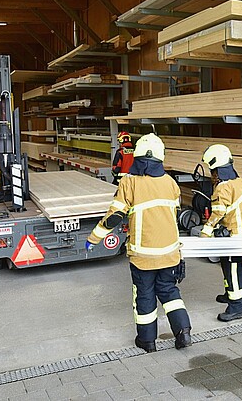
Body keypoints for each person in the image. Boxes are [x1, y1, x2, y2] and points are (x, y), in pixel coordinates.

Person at [87, 133, 192, 353]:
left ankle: (147, 341)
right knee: (170, 292)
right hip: (170, 253)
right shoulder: (171, 183)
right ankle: (183, 333)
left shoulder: (129, 182)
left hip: (143, 257)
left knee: (144, 294)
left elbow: (115, 216)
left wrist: (94, 238)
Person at [199, 144, 242, 322]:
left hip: (235, 237)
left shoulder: (223, 187)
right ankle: (229, 294)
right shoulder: (237, 181)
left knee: (233, 269)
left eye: (212, 170)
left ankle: (237, 307)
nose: (211, 173)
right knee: (227, 265)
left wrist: (206, 231)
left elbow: (218, 213)